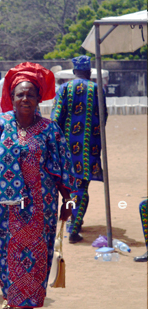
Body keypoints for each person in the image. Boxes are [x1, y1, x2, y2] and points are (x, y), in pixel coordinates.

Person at [0, 62, 76, 309]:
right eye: (20, 94)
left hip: (42, 205)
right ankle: (12, 297)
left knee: (36, 253)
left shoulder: (50, 129)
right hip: (5, 205)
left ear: (39, 98)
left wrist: (69, 200)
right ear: (12, 97)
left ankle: (28, 306)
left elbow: (63, 167)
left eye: (31, 94)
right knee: (4, 250)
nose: (25, 99)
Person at [51, 55, 107, 243]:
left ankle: (74, 224)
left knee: (71, 186)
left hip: (67, 147)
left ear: (74, 71)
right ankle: (75, 225)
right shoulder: (97, 89)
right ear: (89, 71)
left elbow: (56, 118)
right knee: (82, 185)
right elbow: (104, 117)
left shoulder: (65, 88)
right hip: (90, 146)